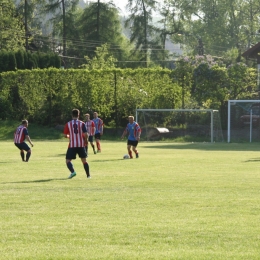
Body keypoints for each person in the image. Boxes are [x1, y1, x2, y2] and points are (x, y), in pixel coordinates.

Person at [63, 109, 91, 179]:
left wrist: (69, 136)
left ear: (72, 115)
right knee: (84, 161)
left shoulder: (68, 124)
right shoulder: (82, 123)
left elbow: (65, 135)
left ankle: (73, 172)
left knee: (68, 160)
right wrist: (86, 141)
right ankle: (88, 176)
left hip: (72, 145)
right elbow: (85, 134)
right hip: (81, 145)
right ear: (78, 115)